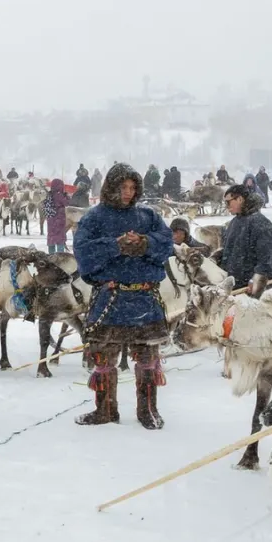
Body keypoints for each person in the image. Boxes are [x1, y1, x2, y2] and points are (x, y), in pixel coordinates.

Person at [71, 163, 176, 429]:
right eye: (123, 188)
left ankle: (148, 410)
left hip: (144, 299)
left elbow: (166, 244)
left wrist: (145, 243)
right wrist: (116, 245)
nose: (128, 193)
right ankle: (105, 410)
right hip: (111, 299)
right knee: (104, 360)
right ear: (111, 188)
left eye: (132, 188)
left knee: (147, 360)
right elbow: (83, 252)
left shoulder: (148, 216)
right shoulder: (94, 218)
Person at [217, 184, 272, 297]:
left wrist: (257, 280)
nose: (226, 206)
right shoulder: (234, 223)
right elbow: (229, 252)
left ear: (240, 199)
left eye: (228, 202)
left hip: (258, 292)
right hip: (238, 288)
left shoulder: (260, 223)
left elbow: (268, 257)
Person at [44, 177, 70, 253]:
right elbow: (67, 203)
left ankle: (51, 255)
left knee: (51, 238)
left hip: (51, 219)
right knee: (60, 239)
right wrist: (66, 196)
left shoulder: (50, 194)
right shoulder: (59, 195)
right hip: (59, 219)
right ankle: (60, 256)